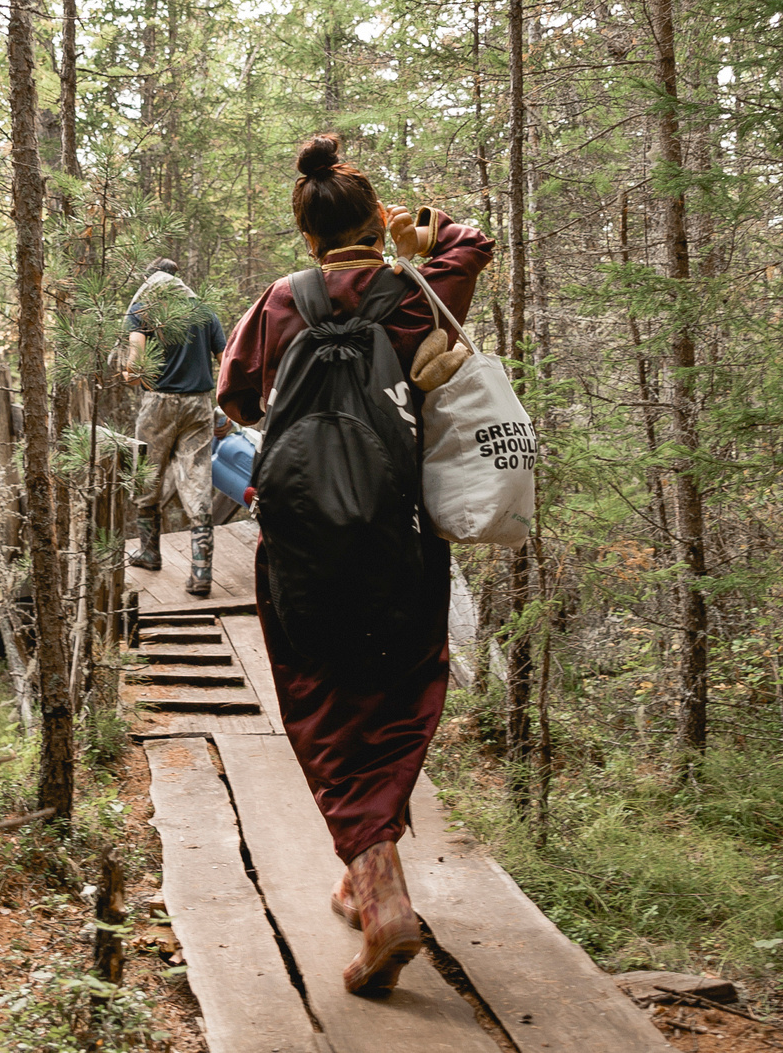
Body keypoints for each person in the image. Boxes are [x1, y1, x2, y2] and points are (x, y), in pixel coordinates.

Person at [216, 133, 493, 996]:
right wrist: (420, 233)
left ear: (307, 236)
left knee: (324, 700)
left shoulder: (280, 301)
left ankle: (380, 898)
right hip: (399, 536)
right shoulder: (412, 290)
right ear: (376, 221)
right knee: (398, 690)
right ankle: (369, 879)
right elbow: (473, 240)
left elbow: (236, 398)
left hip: (299, 546)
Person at [123, 257, 230, 597]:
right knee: (197, 478)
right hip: (199, 405)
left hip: (158, 405)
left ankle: (150, 552)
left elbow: (135, 370)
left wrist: (126, 373)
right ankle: (201, 572)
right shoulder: (203, 310)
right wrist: (223, 410)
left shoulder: (143, 308)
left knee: (147, 475)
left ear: (149, 278)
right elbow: (226, 362)